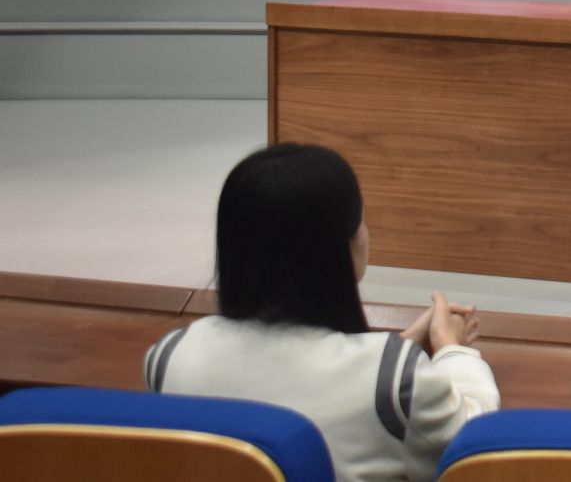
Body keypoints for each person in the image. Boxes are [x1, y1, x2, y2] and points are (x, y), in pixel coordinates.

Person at [144, 143, 499, 481]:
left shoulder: (169, 357)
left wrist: (399, 350)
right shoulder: (394, 385)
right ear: (338, 247)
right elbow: (470, 450)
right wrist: (452, 351)